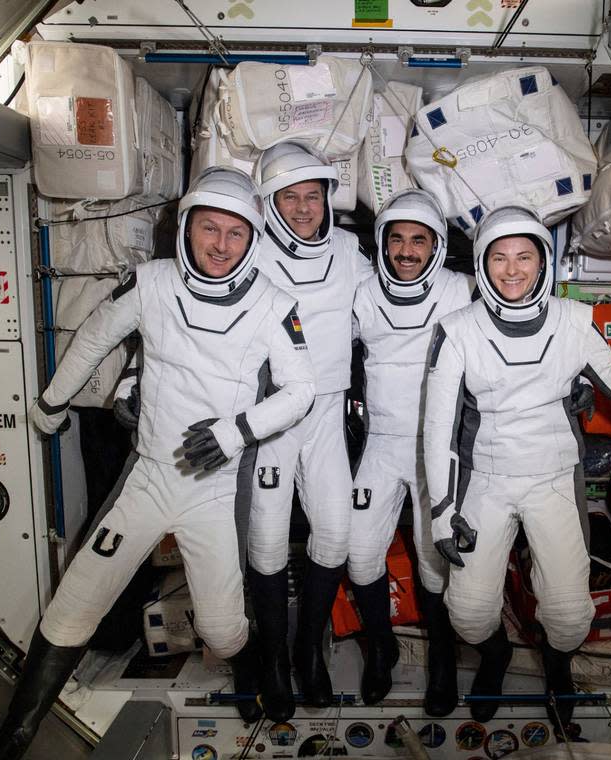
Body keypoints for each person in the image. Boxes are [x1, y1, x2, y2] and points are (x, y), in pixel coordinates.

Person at [0, 168, 315, 759]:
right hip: (150, 476)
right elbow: (93, 336)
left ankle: (255, 664)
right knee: (79, 595)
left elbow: (301, 389)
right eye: (209, 228)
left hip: (214, 488)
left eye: (236, 234)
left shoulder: (274, 304)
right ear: (186, 228)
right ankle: (19, 728)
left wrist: (237, 432)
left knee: (219, 627)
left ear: (253, 239)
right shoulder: (150, 283)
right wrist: (52, 403)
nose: (220, 244)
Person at [423, 206, 611, 730]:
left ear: (542, 262)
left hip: (553, 478)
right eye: (499, 258)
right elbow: (437, 429)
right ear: (483, 265)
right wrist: (442, 511)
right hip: (485, 482)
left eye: (524, 257)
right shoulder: (457, 330)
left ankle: (557, 670)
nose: (512, 270)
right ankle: (495, 656)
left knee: (570, 615)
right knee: (466, 612)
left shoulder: (573, 322)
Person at [247, 142, 373, 720]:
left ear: (327, 198)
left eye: (312, 196)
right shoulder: (249, 254)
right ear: (269, 203)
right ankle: (272, 661)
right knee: (268, 542)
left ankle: (308, 648)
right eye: (289, 197)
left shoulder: (349, 249)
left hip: (327, 409)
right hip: (273, 416)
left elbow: (387, 308)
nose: (303, 208)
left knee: (337, 534)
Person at [348, 189, 473, 713]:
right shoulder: (361, 292)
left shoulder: (463, 290)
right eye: (396, 238)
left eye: (419, 240)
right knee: (357, 557)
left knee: (433, 564)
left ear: (437, 247)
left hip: (435, 450)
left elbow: (517, 329)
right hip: (379, 445)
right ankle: (382, 648)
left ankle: (442, 660)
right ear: (381, 242)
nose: (406, 250)